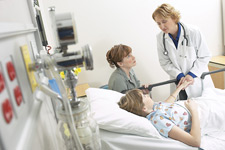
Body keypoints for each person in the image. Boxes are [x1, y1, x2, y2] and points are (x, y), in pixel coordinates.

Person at [152, 3, 214, 100]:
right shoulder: (160, 38)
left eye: (164, 21)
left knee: (202, 109)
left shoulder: (193, 32)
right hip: (179, 82)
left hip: (197, 80)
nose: (161, 26)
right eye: (158, 23)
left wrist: (191, 75)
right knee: (183, 110)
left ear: (174, 18)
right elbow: (164, 62)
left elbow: (204, 56)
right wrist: (179, 75)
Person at [118, 81, 201, 147]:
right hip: (200, 113)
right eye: (144, 96)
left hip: (196, 104)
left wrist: (181, 87)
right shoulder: (157, 120)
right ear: (144, 108)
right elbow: (195, 141)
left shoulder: (155, 108)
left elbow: (167, 103)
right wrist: (193, 109)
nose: (147, 95)